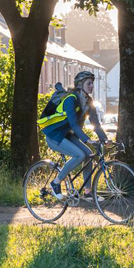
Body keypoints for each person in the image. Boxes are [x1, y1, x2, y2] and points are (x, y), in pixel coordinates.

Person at [38, 70, 108, 200]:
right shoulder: (71, 99)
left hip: (67, 135)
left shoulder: (88, 101)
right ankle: (56, 182)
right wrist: (87, 140)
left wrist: (104, 139)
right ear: (80, 84)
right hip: (55, 135)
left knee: (88, 155)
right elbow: (74, 124)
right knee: (79, 155)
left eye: (92, 83)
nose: (92, 86)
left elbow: (95, 123)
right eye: (89, 83)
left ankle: (87, 192)